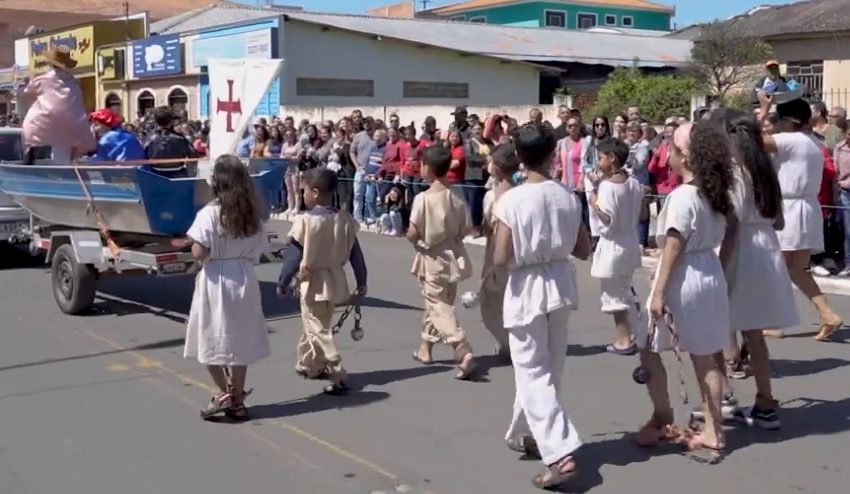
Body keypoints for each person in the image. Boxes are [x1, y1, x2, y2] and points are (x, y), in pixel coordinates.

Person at [493, 124, 591, 489]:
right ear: (552, 155)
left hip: (527, 286)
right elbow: (583, 249)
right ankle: (532, 433)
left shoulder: (511, 200)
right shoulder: (568, 195)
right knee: (550, 367)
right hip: (560, 283)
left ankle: (560, 451)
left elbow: (502, 256)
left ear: (519, 157)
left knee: (532, 371)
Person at [636, 122, 734, 463]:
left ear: (686, 157)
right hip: (710, 273)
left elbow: (674, 247)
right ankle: (714, 429)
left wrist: (659, 292)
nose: (669, 156)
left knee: (647, 346)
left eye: (673, 150)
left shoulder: (682, 196)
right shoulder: (717, 192)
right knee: (705, 355)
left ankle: (663, 416)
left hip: (686, 277)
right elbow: (729, 234)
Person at [709, 109, 800, 430]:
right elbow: (779, 220)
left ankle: (724, 398)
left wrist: (718, 267)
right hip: (765, 250)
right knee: (755, 334)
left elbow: (732, 223)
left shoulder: (733, 171)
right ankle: (765, 401)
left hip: (741, 251)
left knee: (719, 327)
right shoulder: (766, 168)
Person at [186, 155, 271, 421]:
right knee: (239, 340)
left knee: (211, 337)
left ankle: (224, 393)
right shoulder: (252, 215)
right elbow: (259, 250)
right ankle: (237, 398)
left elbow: (199, 252)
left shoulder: (210, 213)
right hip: (243, 277)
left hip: (216, 277)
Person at [757, 92, 843, 341]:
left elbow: (755, 139)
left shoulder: (792, 140)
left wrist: (763, 109)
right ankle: (827, 314)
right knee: (798, 270)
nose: (776, 124)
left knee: (778, 268)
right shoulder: (812, 142)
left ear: (789, 121)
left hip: (791, 210)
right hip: (806, 208)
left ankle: (775, 322)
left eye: (778, 120)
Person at [277, 168, 368, 395]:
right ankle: (310, 365)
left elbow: (293, 257)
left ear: (315, 192)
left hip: (314, 280)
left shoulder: (306, 221)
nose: (303, 194)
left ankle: (336, 369)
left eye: (305, 190)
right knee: (319, 324)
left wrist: (283, 282)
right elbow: (357, 254)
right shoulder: (345, 219)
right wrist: (362, 280)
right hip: (337, 279)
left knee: (316, 327)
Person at [407, 146, 477, 380]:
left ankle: (460, 346)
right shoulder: (456, 194)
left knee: (438, 305)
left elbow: (413, 232)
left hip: (433, 256)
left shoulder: (423, 199)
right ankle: (425, 349)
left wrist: (414, 240)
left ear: (427, 168)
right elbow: (467, 226)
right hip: (454, 255)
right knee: (439, 303)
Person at [589, 138, 644, 355]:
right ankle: (635, 331)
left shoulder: (607, 187)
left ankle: (624, 339)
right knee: (625, 288)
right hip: (629, 241)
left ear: (612, 159)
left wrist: (594, 203)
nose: (598, 162)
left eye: (600, 157)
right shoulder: (634, 183)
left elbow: (608, 219)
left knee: (614, 294)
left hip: (614, 244)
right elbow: (641, 213)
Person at [22, 45, 96, 164]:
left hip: (45, 121)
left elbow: (27, 92)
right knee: (63, 144)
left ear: (50, 63)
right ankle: (63, 167)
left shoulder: (42, 79)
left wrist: (30, 81)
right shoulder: (73, 81)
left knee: (29, 128)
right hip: (73, 122)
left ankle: (30, 156)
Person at [479, 143, 519, 359]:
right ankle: (508, 342)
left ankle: (509, 342)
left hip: (496, 252)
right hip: (518, 254)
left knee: (491, 302)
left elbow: (487, 226)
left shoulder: (492, 197)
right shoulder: (520, 193)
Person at [144, 106, 197, 177]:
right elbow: (193, 155)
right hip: (178, 174)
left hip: (155, 175)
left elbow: (143, 156)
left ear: (156, 121)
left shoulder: (150, 139)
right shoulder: (180, 138)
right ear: (171, 121)